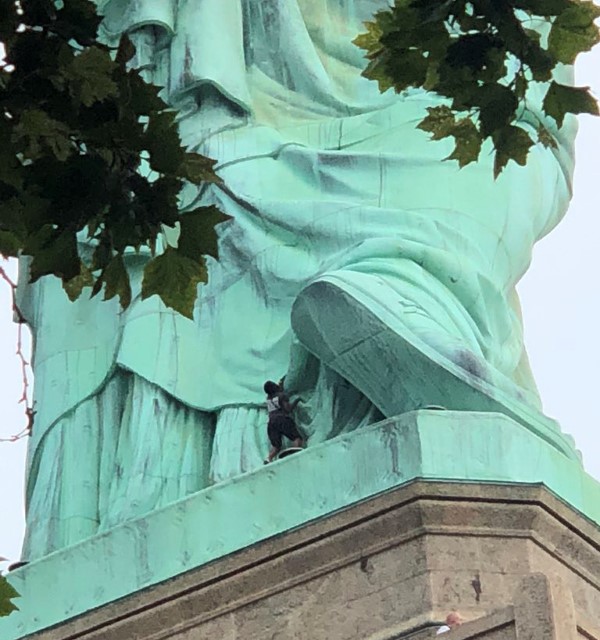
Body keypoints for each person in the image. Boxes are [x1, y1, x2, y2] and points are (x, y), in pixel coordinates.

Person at [18, 1, 580, 560]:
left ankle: (415, 288)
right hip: (235, 65)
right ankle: (390, 310)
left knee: (498, 136)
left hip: (416, 46)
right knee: (195, 174)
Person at [263, 380, 304, 463]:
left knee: (276, 446)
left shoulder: (268, 399)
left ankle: (269, 458)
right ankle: (296, 452)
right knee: (297, 438)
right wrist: (297, 401)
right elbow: (288, 409)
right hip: (282, 419)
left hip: (271, 423)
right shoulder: (281, 396)